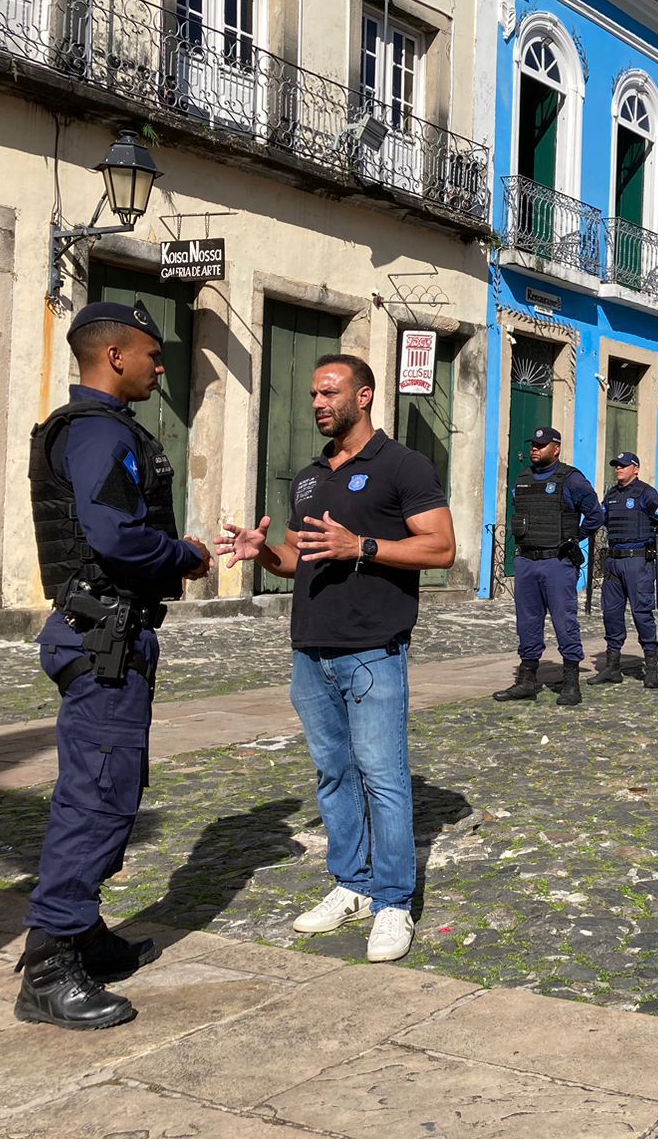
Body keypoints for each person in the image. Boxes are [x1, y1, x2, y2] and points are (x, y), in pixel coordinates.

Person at [218, 352, 455, 964]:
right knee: (333, 775)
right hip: (310, 651)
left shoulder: (404, 466)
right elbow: (300, 556)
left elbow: (441, 548)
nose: (319, 404)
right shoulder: (308, 476)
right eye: (314, 395)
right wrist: (264, 553)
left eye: (330, 393)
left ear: (365, 395)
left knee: (383, 778)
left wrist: (364, 545)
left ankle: (393, 902)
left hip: (373, 650)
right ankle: (350, 884)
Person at [20, 301, 213, 1029]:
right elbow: (118, 540)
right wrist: (186, 556)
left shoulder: (93, 429)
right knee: (97, 796)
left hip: (107, 633)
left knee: (110, 785)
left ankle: (82, 930)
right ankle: (49, 964)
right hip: (101, 637)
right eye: (152, 354)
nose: (161, 366)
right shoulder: (99, 433)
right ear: (115, 357)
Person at [490, 428, 605, 706]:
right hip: (527, 561)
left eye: (542, 445)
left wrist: (574, 538)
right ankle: (527, 679)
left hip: (557, 562)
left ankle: (570, 681)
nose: (535, 449)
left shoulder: (571, 479)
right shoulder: (524, 477)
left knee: (564, 622)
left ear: (556, 448)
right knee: (527, 623)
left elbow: (595, 514)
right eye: (533, 444)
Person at [588, 452, 658, 689]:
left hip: (637, 561)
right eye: (616, 466)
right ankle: (613, 666)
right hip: (614, 561)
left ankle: (650, 665)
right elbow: (601, 519)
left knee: (641, 613)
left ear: (635, 469)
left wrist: (650, 546)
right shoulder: (613, 494)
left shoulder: (646, 493)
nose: (619, 469)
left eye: (624, 466)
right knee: (611, 613)